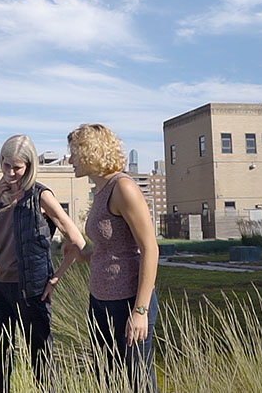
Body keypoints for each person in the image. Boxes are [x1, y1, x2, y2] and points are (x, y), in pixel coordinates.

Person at [0, 134, 87, 393]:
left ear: (29, 165)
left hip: (31, 289)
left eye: (17, 167)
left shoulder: (40, 195)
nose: (11, 172)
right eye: (5, 165)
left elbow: (76, 239)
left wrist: (56, 278)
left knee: (41, 361)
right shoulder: (0, 195)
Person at [67, 124, 159, 392]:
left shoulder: (123, 188)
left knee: (137, 382)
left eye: (74, 153)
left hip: (128, 303)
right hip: (100, 301)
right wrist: (82, 256)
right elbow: (111, 247)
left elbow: (150, 249)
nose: (70, 160)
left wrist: (140, 311)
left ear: (90, 152)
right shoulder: (100, 191)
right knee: (108, 380)